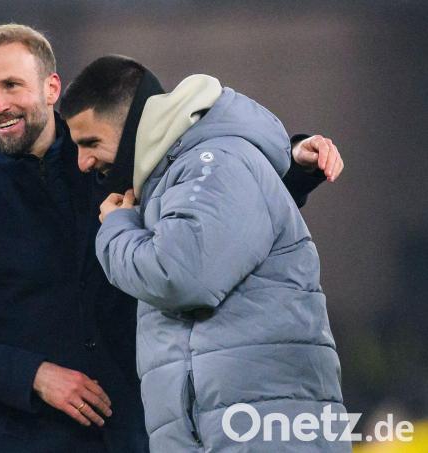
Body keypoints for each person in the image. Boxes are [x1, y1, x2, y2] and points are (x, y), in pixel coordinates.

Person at [0, 24, 343, 453]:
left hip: (141, 432)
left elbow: (214, 219)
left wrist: (290, 167)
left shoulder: (119, 164)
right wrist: (33, 376)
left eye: (11, 85)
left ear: (51, 88)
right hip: (25, 437)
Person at [59, 55, 349, 451]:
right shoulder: (175, 176)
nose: (83, 162)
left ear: (132, 128)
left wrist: (116, 228)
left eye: (90, 142)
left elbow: (180, 278)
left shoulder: (215, 162)